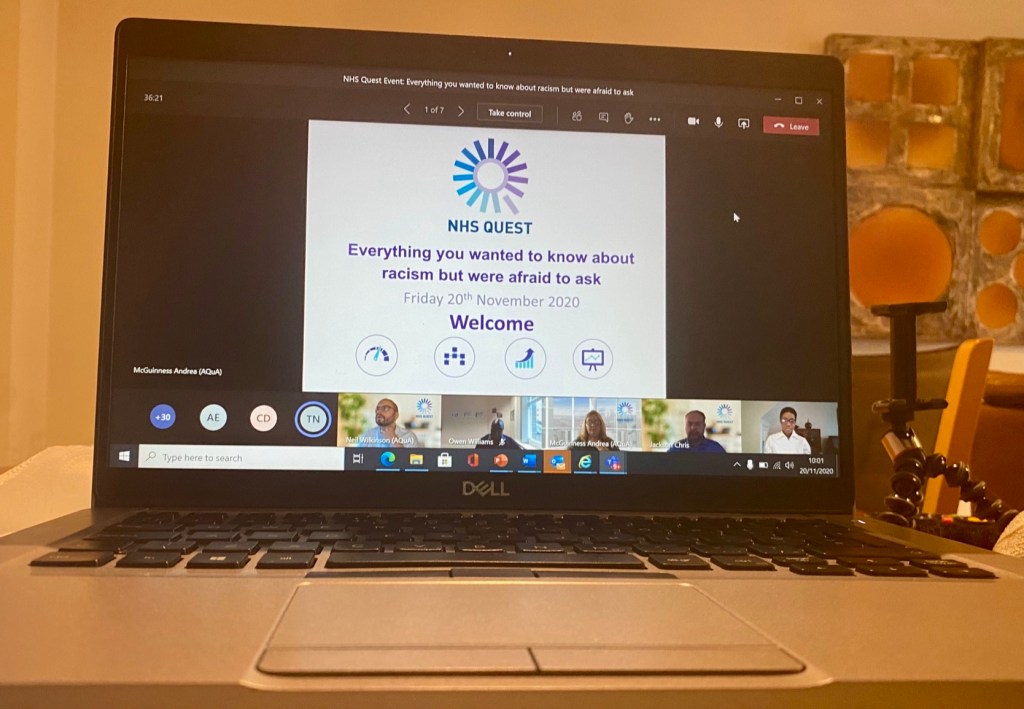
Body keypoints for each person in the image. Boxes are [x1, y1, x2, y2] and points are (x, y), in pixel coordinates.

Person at [355, 398, 420, 447]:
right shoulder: (366, 435)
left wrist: (394, 441)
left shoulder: (409, 436)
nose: (379, 412)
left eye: (385, 408)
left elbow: (410, 460)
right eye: (377, 409)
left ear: (396, 415)